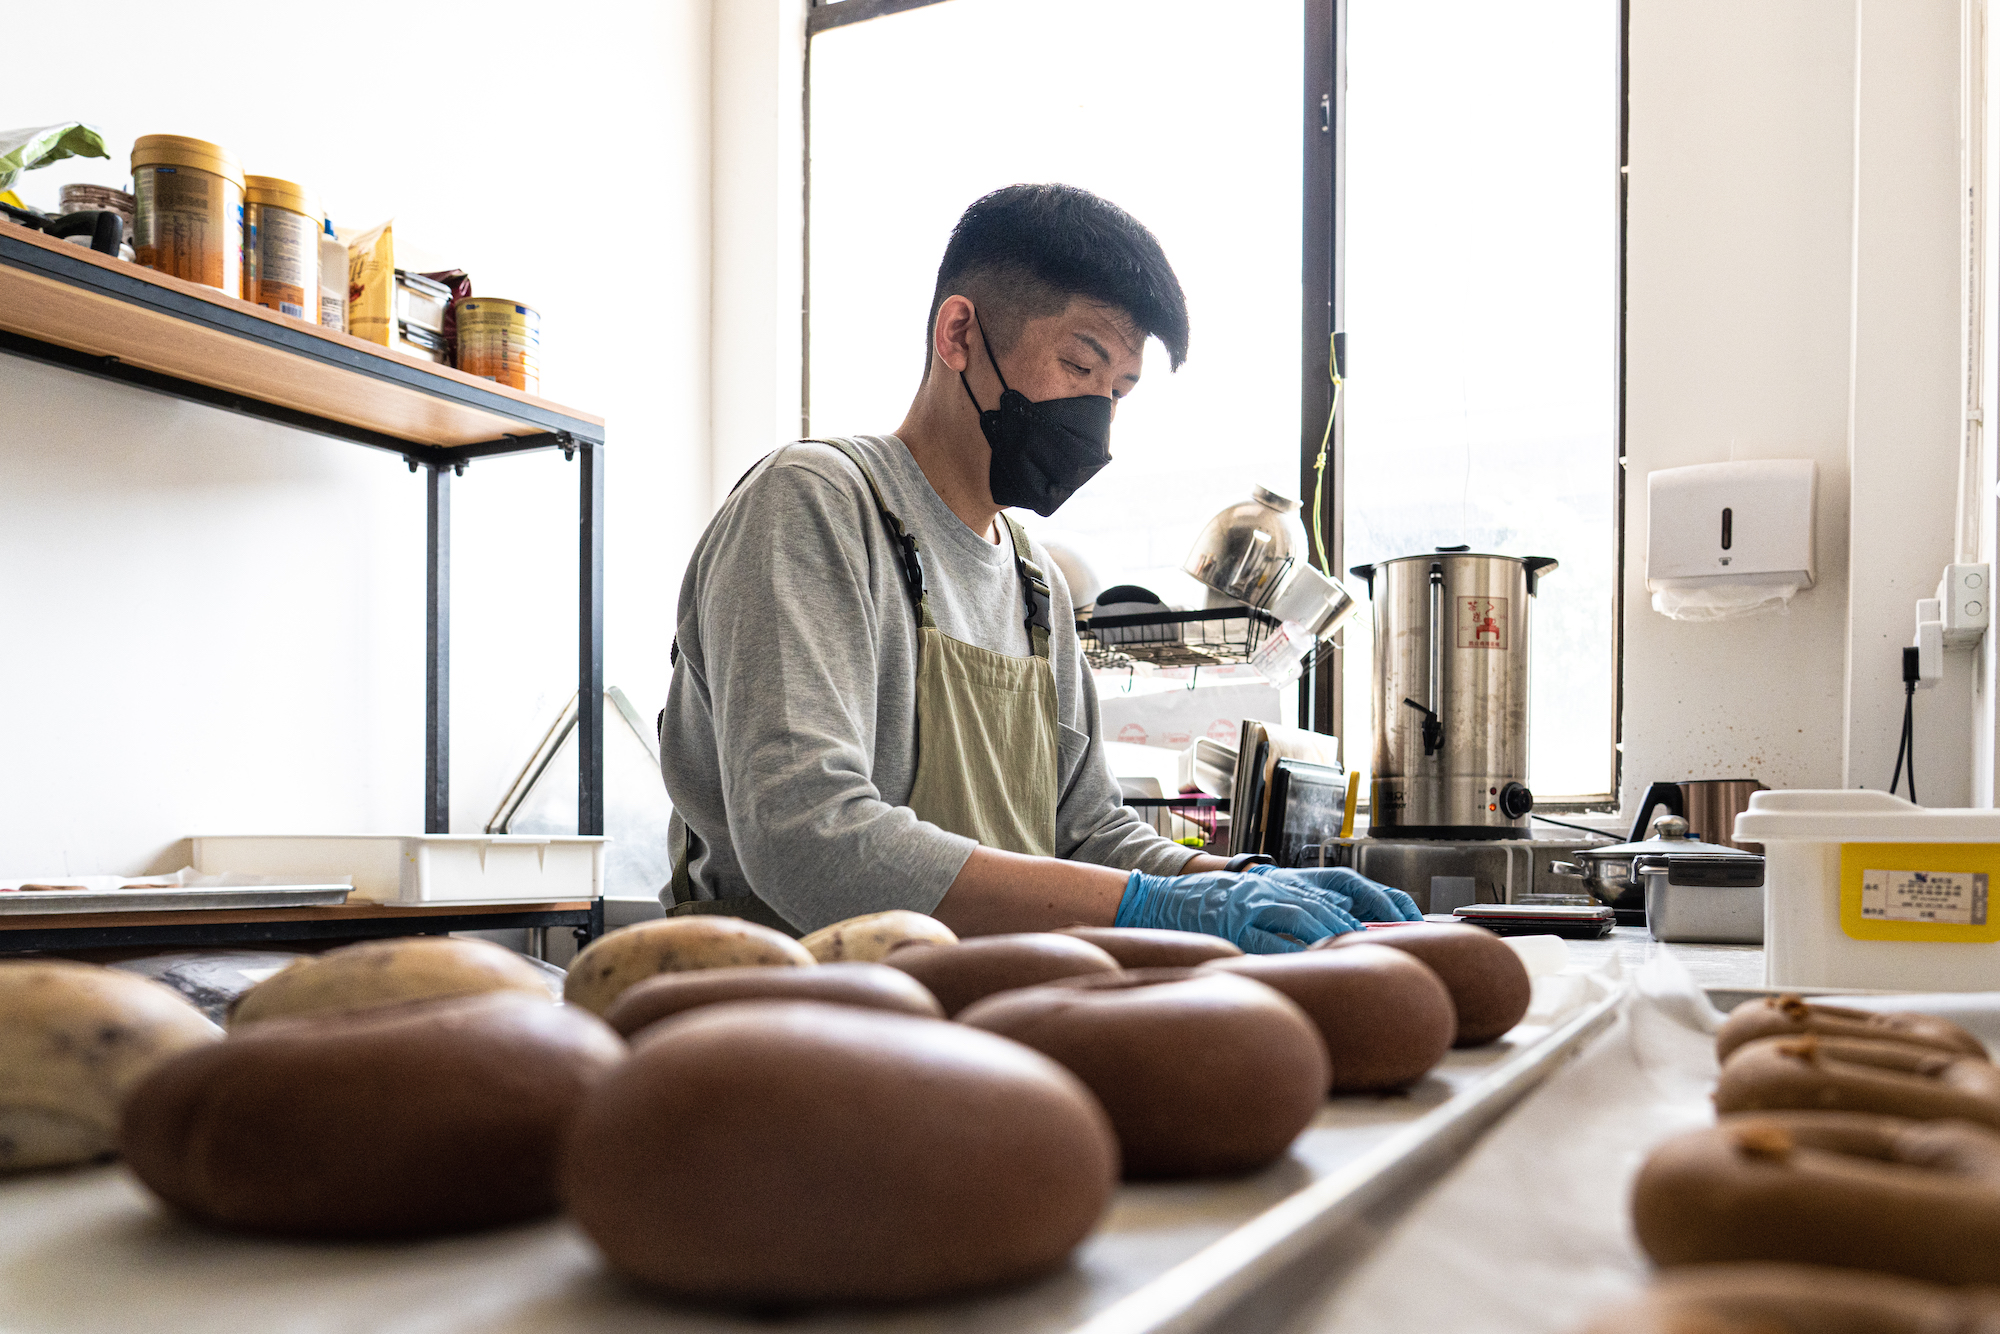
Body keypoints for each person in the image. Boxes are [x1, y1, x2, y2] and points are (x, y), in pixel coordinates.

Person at [659, 183, 1417, 951]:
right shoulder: (815, 507)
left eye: (1118, 391)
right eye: (1079, 366)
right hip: (787, 1019)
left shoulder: (1034, 582)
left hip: (973, 1012)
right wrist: (1148, 908)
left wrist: (1226, 883)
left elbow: (1086, 832)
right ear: (958, 334)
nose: (1097, 416)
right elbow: (808, 837)